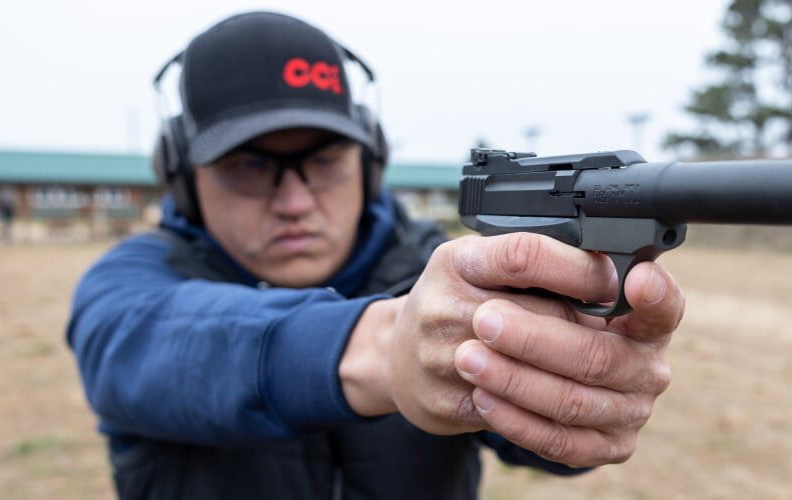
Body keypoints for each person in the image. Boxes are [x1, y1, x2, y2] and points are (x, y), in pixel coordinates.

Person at [67, 11, 685, 499]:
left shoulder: (440, 269)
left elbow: (548, 450)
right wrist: (388, 346)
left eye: (325, 160)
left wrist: (573, 389)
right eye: (248, 166)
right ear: (181, 177)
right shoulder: (130, 285)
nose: (295, 201)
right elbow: (154, 345)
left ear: (369, 162)